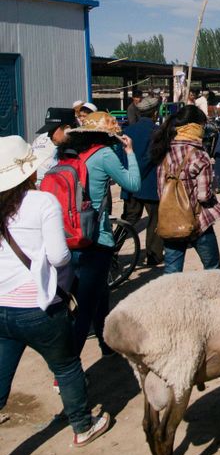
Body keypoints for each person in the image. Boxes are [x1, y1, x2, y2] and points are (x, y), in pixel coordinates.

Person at [0, 136, 111, 446]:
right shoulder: (41, 201)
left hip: (2, 307)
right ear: (29, 172)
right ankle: (82, 425)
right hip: (39, 306)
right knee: (66, 365)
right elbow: (61, 256)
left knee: (2, 372)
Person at [61, 111, 141, 355]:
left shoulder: (69, 154)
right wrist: (129, 153)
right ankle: (67, 367)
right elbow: (133, 183)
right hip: (96, 238)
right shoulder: (104, 154)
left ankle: (106, 345)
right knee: (85, 305)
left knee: (97, 291)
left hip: (69, 234)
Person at [151, 105, 220, 274]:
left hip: (171, 220)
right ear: (196, 127)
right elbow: (203, 196)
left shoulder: (163, 150)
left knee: (172, 273)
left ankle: (171, 300)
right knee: (212, 268)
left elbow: (160, 191)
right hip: (198, 222)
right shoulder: (199, 155)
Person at [120, 95, 164, 267]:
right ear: (155, 113)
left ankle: (114, 249)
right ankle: (154, 255)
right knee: (155, 219)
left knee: (128, 220)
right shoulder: (158, 132)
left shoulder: (128, 131)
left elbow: (122, 158)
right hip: (150, 185)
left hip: (130, 185)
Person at [31, 107, 77, 183]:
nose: (49, 135)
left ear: (67, 129)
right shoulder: (55, 147)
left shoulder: (79, 152)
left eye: (52, 130)